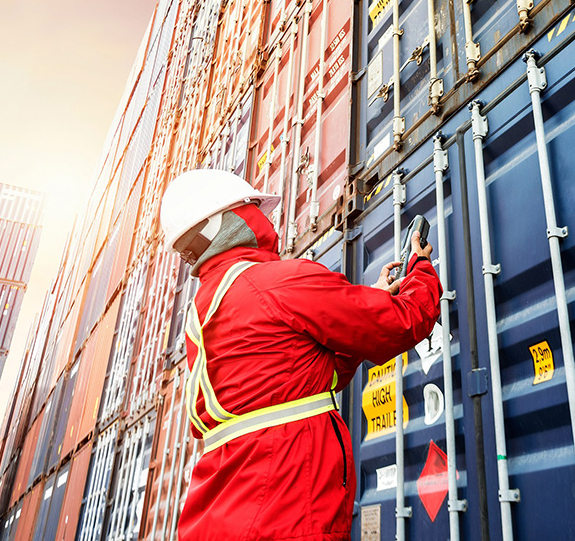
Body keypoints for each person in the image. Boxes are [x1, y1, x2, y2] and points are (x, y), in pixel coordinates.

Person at [159, 169, 442, 541]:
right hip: (282, 509)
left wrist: (368, 303)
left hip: (222, 511)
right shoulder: (279, 281)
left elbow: (306, 380)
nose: (264, 216)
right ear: (226, 222)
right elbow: (399, 325)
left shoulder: (204, 313)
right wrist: (420, 271)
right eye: (253, 207)